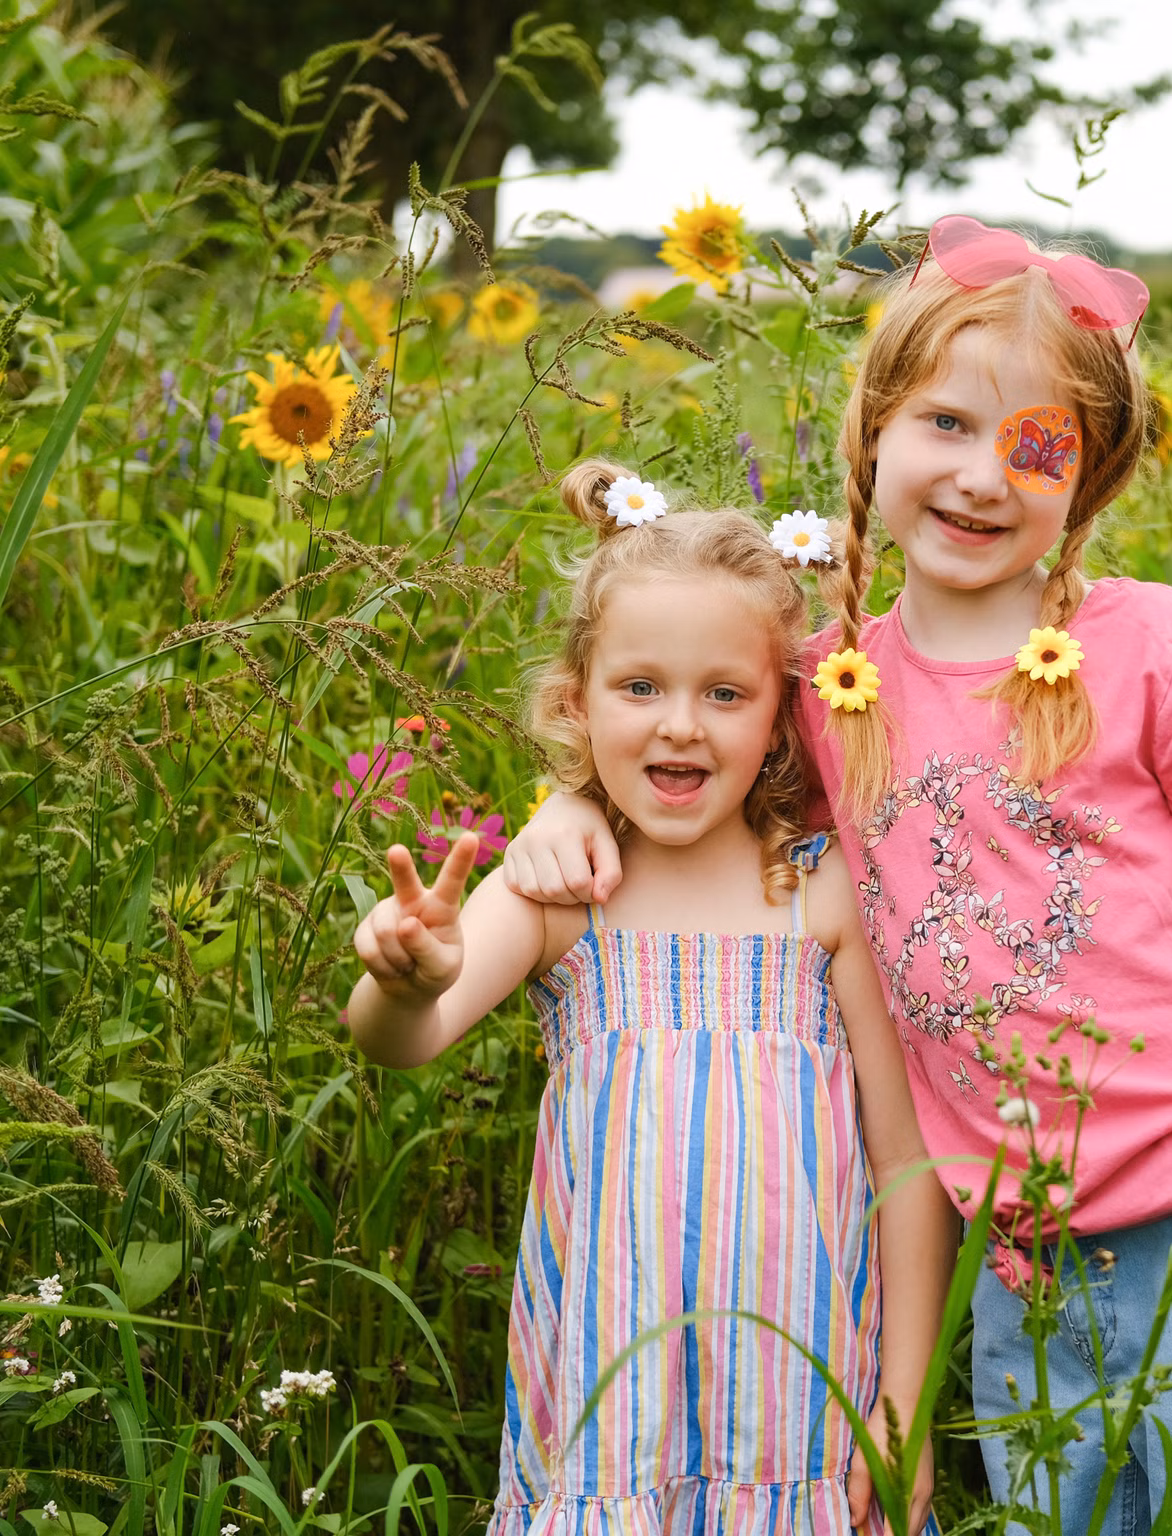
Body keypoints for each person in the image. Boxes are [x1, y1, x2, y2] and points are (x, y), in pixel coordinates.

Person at [501, 216, 1172, 1532]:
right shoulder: (826, 684)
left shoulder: (1151, 642)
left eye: (1039, 445)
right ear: (873, 432)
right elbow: (683, 778)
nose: (988, 475)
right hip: (1030, 1274)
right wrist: (563, 807)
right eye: (946, 425)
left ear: (1086, 482)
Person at [346, 476, 950, 1536]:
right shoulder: (560, 897)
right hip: (609, 1429)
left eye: (726, 693)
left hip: (804, 1426)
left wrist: (904, 1401)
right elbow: (403, 1041)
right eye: (639, 687)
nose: (681, 725)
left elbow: (904, 1165)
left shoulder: (821, 896)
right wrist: (405, 978)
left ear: (779, 719)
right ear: (576, 701)